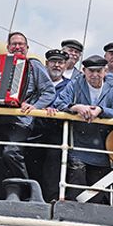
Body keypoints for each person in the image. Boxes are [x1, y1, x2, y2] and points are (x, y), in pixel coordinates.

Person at [0, 31, 55, 198]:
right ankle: (4, 195)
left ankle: (27, 192)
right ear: (8, 47)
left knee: (11, 152)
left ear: (27, 47)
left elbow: (49, 91)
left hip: (21, 121)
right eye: (14, 44)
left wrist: (34, 106)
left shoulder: (34, 65)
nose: (17, 47)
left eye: (21, 44)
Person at [53, 55, 113, 203]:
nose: (95, 75)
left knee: (97, 194)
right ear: (84, 71)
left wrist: (101, 110)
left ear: (105, 71)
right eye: (91, 71)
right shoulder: (76, 83)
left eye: (99, 71)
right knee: (75, 187)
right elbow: (59, 103)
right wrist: (76, 107)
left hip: (103, 148)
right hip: (78, 146)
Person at [26, 49, 72, 201]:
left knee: (53, 165)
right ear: (46, 63)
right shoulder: (37, 83)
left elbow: (69, 103)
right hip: (34, 129)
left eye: (60, 62)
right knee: (31, 162)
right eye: (53, 62)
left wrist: (55, 108)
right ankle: (30, 196)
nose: (57, 65)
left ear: (65, 66)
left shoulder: (70, 85)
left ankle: (50, 198)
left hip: (56, 130)